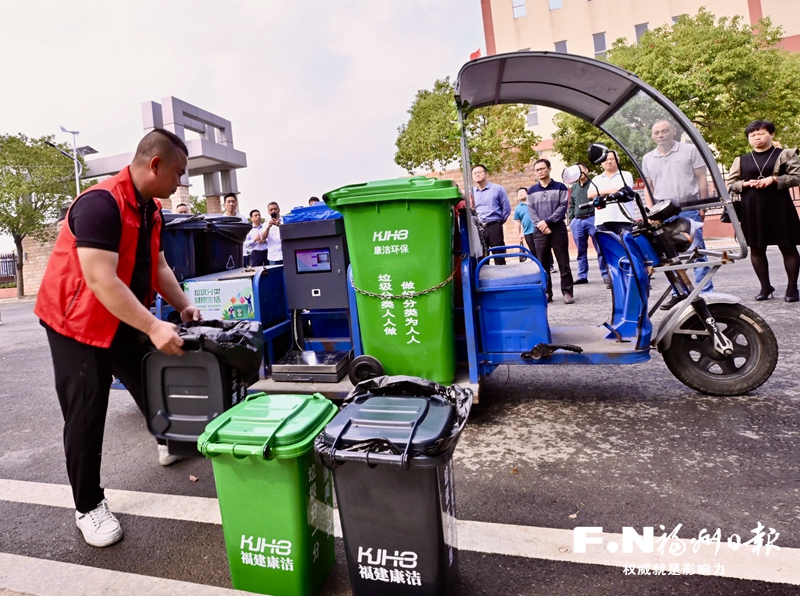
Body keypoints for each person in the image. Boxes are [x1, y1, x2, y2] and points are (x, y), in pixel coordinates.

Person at [34, 128, 202, 548]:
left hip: (119, 312)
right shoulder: (100, 204)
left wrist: (182, 306)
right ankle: (88, 506)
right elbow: (99, 280)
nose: (181, 182)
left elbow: (158, 265)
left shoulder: (151, 210)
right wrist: (152, 325)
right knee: (88, 410)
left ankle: (169, 438)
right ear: (155, 165)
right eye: (178, 173)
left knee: (155, 377)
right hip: (75, 321)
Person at [642, 119, 714, 309]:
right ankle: (679, 293)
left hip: (688, 207)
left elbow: (701, 178)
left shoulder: (689, 150)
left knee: (697, 252)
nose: (660, 135)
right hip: (662, 212)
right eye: (656, 132)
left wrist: (703, 204)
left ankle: (705, 293)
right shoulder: (648, 158)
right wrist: (650, 212)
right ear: (652, 135)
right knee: (669, 257)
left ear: (673, 131)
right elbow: (648, 187)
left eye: (664, 131)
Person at [727, 120, 800, 302]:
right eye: (752, 135)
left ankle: (792, 289)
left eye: (760, 133)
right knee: (756, 249)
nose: (756, 137)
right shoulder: (741, 160)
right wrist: (745, 183)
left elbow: (796, 177)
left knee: (788, 247)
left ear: (772, 134)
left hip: (779, 206)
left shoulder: (785, 154)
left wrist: (774, 180)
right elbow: (730, 184)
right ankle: (765, 287)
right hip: (752, 208)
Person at [528, 159, 574, 304]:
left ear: (549, 169)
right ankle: (547, 293)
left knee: (563, 262)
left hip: (557, 228)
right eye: (537, 170)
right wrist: (541, 224)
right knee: (542, 264)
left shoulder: (560, 187)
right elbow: (531, 210)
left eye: (542, 168)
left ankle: (567, 292)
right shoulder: (532, 190)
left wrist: (547, 222)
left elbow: (562, 207)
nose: (540, 172)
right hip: (539, 231)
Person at [567, 163, 607, 285]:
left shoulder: (594, 183)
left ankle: (605, 274)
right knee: (580, 250)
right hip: (577, 221)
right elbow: (572, 204)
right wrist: (572, 220)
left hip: (593, 218)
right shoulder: (574, 187)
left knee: (600, 247)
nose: (579, 172)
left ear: (587, 170)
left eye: (581, 169)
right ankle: (582, 275)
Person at [471, 164, 511, 265]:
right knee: (482, 258)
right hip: (478, 228)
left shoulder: (497, 189)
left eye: (480, 172)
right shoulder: (471, 192)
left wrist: (498, 223)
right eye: (475, 173)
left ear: (486, 174)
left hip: (494, 226)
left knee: (499, 255)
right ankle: (485, 280)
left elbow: (506, 208)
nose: (477, 175)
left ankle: (501, 279)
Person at [513, 187, 536, 261]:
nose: (520, 194)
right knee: (533, 250)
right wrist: (519, 234)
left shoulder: (534, 203)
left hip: (538, 229)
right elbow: (517, 221)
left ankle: (549, 265)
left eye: (522, 192)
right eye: (519, 193)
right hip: (527, 232)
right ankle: (537, 265)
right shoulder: (518, 208)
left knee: (543, 248)